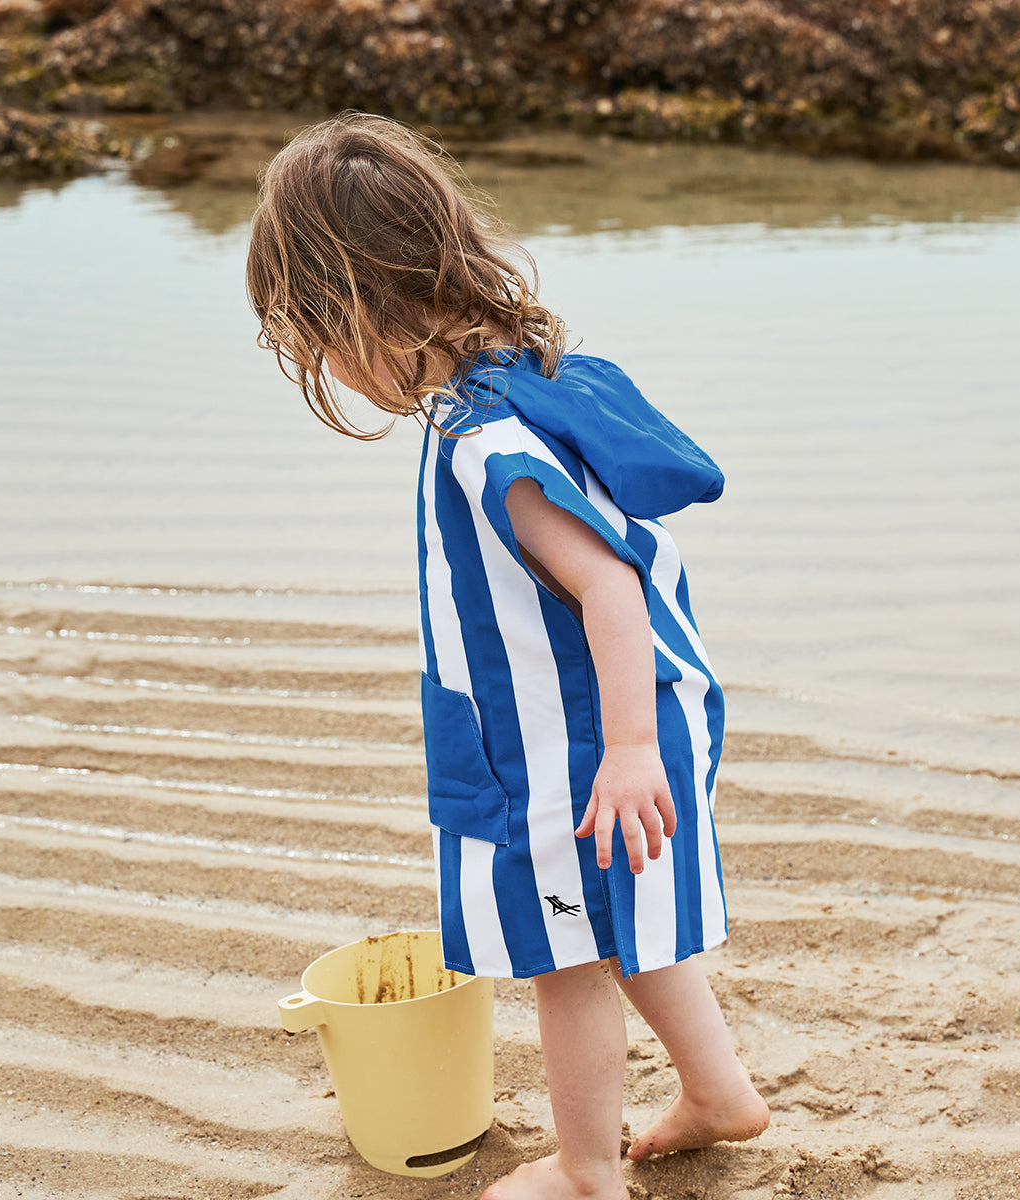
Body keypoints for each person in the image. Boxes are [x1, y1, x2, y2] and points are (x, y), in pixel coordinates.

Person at [246, 111, 769, 1200]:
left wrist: (626, 752)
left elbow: (609, 587)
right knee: (621, 923)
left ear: (358, 310)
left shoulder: (489, 443)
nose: (333, 373)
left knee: (563, 956)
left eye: (321, 345)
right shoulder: (525, 375)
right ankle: (719, 1094)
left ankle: (584, 1172)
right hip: (611, 720)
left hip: (578, 750)